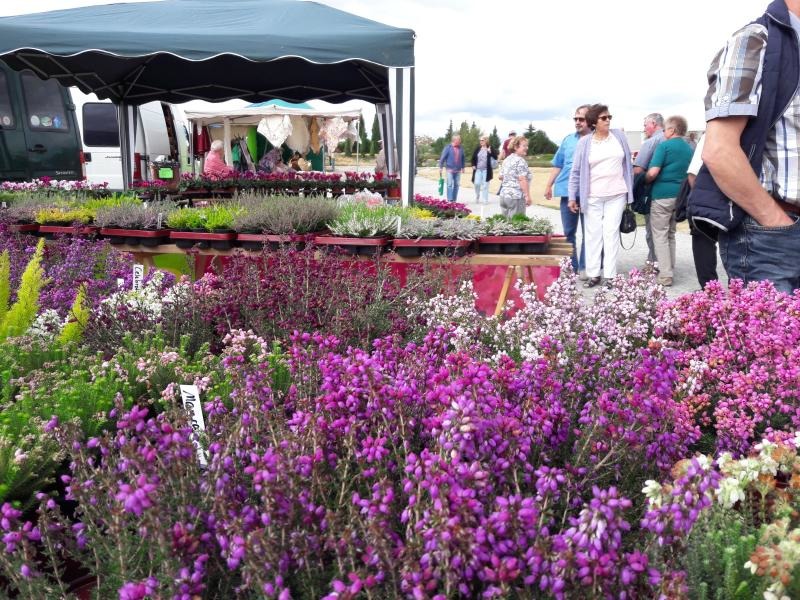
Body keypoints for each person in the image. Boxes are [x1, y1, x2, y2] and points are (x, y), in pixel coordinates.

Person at [692, 0, 800, 293]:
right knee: (773, 337)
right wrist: (774, 220)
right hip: (775, 233)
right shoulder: (756, 39)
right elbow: (719, 150)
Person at [568, 104, 634, 288]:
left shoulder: (619, 136)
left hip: (617, 193)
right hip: (593, 195)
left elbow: (627, 163)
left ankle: (610, 276)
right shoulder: (585, 142)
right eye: (604, 118)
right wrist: (573, 196)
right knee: (592, 235)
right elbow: (576, 172)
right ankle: (594, 274)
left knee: (611, 233)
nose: (608, 120)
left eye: (609, 117)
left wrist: (630, 190)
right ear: (594, 122)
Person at [644, 116, 694, 287]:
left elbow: (653, 172)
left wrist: (645, 180)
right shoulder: (689, 149)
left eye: (665, 129)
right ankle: (670, 267)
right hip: (680, 196)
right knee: (671, 233)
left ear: (672, 130)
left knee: (660, 235)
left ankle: (665, 275)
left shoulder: (663, 146)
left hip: (662, 195)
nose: (664, 132)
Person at [545, 104, 591, 277]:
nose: (578, 122)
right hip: (566, 191)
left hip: (588, 193)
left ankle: (586, 268)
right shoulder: (567, 140)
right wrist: (549, 185)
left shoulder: (595, 140)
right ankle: (572, 267)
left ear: (590, 121)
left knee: (590, 232)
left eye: (582, 119)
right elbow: (558, 164)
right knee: (568, 232)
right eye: (576, 119)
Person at [686, 134, 720, 288]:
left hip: (710, 198)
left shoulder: (711, 135)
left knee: (703, 240)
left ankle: (710, 290)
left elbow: (693, 175)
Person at [633, 113, 665, 267]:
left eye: (645, 125)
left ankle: (654, 261)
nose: (644, 128)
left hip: (653, 192)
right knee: (668, 232)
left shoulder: (651, 142)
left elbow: (638, 170)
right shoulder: (680, 141)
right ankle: (666, 263)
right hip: (675, 193)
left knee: (652, 230)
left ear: (653, 123)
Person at [498, 135, 532, 217]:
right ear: (516, 147)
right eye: (524, 146)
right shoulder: (521, 161)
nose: (526, 148)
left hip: (504, 196)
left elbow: (500, 177)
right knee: (516, 224)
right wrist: (527, 196)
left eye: (527, 146)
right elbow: (522, 179)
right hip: (516, 197)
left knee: (505, 224)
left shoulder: (507, 159)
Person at [471, 136, 498, 204]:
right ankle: (477, 195)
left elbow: (495, 157)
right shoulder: (478, 148)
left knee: (485, 185)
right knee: (477, 183)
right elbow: (473, 158)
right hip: (478, 170)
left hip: (486, 170)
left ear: (486, 141)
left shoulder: (490, 148)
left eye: (482, 140)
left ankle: (485, 199)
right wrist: (473, 165)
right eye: (480, 140)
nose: (481, 141)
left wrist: (490, 152)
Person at [438, 135, 465, 202]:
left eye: (460, 139)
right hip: (449, 169)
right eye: (459, 139)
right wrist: (440, 167)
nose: (460, 141)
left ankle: (454, 199)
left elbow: (463, 158)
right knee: (449, 184)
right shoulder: (448, 148)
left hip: (458, 170)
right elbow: (442, 158)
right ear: (454, 140)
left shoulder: (461, 148)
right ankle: (450, 199)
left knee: (456, 185)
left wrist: (463, 167)